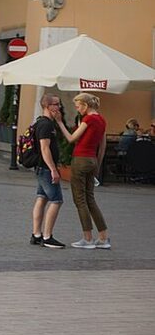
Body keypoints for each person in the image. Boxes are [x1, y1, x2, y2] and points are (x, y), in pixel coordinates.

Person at [55, 93, 110, 249]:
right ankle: (103, 238)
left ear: (85, 105)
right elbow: (103, 146)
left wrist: (60, 122)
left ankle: (87, 239)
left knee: (80, 200)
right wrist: (97, 165)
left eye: (78, 106)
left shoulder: (89, 119)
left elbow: (72, 138)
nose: (77, 109)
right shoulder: (102, 120)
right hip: (92, 160)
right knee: (90, 199)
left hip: (80, 159)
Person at [30, 94, 67, 249]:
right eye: (56, 104)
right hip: (45, 168)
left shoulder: (43, 122)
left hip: (41, 167)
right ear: (47, 106)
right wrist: (53, 169)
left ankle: (36, 234)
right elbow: (45, 149)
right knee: (56, 200)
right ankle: (47, 236)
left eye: (59, 104)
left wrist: (59, 121)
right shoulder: (45, 125)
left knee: (42, 198)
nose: (59, 107)